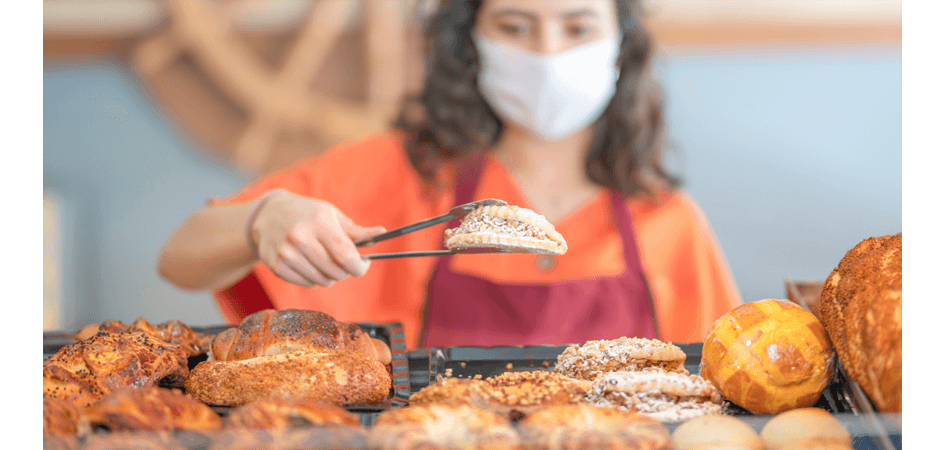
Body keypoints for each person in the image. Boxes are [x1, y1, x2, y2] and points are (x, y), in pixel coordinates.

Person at [158, 0, 742, 349]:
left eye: (578, 27)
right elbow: (178, 257)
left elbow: (723, 387)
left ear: (621, 45)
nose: (547, 53)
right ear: (470, 42)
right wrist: (264, 218)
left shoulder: (668, 221)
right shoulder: (397, 173)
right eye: (514, 27)